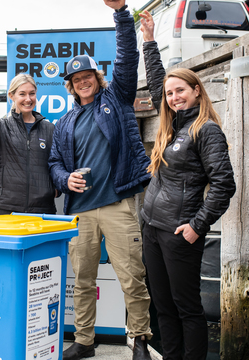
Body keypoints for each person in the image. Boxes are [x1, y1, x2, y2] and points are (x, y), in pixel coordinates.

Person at [48, 1, 153, 359]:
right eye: (76, 80)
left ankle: (139, 338)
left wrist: (122, 11)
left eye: (87, 76)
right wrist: (65, 180)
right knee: (82, 283)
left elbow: (127, 56)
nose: (83, 82)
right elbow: (55, 164)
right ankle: (85, 341)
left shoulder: (117, 98)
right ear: (71, 86)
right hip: (80, 213)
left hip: (117, 205)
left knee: (132, 278)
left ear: (97, 77)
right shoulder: (64, 124)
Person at [139, 10, 236, 360]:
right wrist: (149, 40)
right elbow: (155, 85)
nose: (173, 97)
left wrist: (197, 226)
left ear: (197, 91)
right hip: (152, 227)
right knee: (163, 308)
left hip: (180, 234)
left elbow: (225, 184)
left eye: (180, 90)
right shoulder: (173, 124)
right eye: (170, 93)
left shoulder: (205, 130)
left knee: (187, 309)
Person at [0, 74, 56, 215]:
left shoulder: (49, 128)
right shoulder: (1, 126)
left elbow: (56, 163)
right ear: (11, 95)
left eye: (32, 94)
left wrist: (54, 187)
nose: (28, 99)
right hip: (7, 208)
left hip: (43, 209)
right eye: (22, 94)